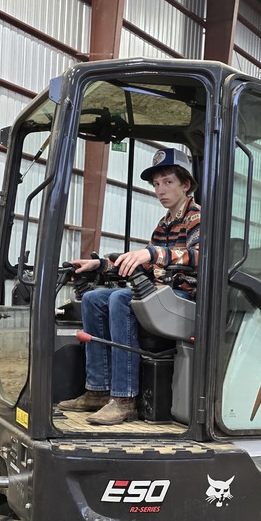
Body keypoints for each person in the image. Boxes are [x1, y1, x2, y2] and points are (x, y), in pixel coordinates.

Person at [59, 147, 201, 425]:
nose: (161, 190)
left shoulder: (196, 217)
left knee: (121, 299)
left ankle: (124, 399)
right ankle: (98, 390)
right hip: (163, 293)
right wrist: (100, 264)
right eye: (156, 184)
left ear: (185, 184)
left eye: (168, 182)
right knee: (93, 299)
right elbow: (144, 265)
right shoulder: (164, 224)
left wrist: (152, 254)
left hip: (185, 296)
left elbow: (198, 256)